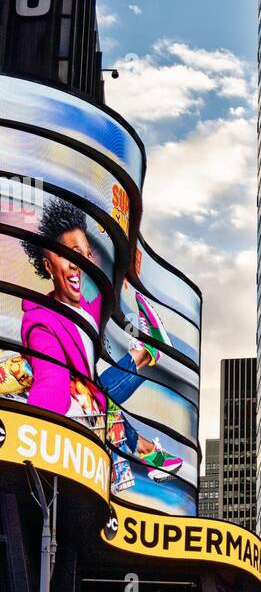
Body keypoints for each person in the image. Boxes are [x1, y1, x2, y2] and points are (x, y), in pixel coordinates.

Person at [19, 199, 182, 482]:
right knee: (95, 393)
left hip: (89, 405)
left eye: (85, 253)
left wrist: (135, 333)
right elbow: (51, 376)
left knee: (100, 394)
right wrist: (37, 429)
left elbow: (119, 325)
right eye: (71, 254)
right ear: (48, 264)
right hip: (65, 417)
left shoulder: (89, 306)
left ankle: (146, 450)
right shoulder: (41, 323)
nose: (79, 264)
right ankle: (145, 449)